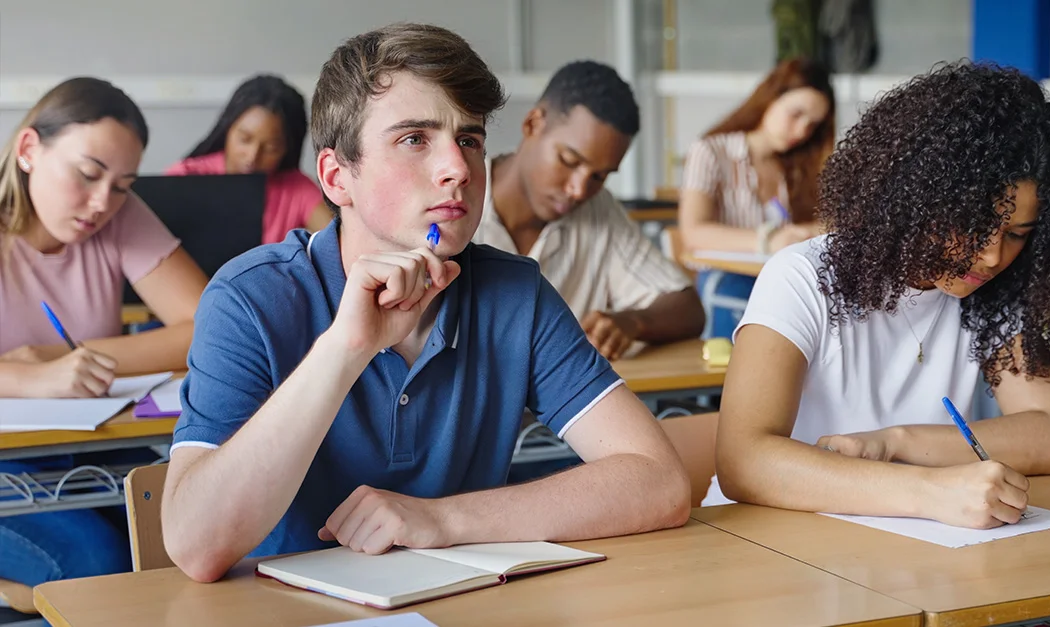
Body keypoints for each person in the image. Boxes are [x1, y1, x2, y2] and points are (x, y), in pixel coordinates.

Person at [160, 22, 691, 584]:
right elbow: (198, 548)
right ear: (337, 177)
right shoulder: (248, 298)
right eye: (415, 139)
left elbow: (659, 483)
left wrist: (440, 519)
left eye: (470, 140)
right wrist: (345, 348)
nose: (459, 170)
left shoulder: (515, 292)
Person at [707, 62, 1050, 530]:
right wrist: (928, 490)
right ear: (921, 198)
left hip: (898, 545)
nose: (994, 256)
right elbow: (743, 461)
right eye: (974, 227)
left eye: (1018, 234)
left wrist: (893, 442)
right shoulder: (803, 276)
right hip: (768, 539)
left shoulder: (993, 294)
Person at [0, 77, 207, 589]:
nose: (101, 203)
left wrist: (61, 356)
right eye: (87, 174)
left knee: (196, 532)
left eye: (121, 186)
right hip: (14, 467)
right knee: (101, 565)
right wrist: (29, 379)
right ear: (29, 149)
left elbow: (208, 326)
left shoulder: (118, 215)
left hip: (92, 445)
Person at [473, 60, 703, 361]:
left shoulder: (598, 210)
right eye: (569, 160)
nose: (579, 190)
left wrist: (632, 322)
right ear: (533, 124)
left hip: (566, 409)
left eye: (599, 176)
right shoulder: (456, 200)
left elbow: (688, 308)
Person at [677, 57, 835, 338]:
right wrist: (770, 240)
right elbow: (693, 233)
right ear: (770, 98)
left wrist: (810, 231)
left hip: (783, 284)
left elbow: (823, 226)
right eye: (795, 114)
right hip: (731, 285)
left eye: (812, 125)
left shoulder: (798, 167)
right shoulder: (711, 152)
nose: (801, 132)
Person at [167, 75, 333, 244]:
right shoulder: (186, 176)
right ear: (227, 129)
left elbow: (337, 240)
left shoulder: (296, 189)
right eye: (244, 139)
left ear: (287, 149)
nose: (253, 156)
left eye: (271, 148)